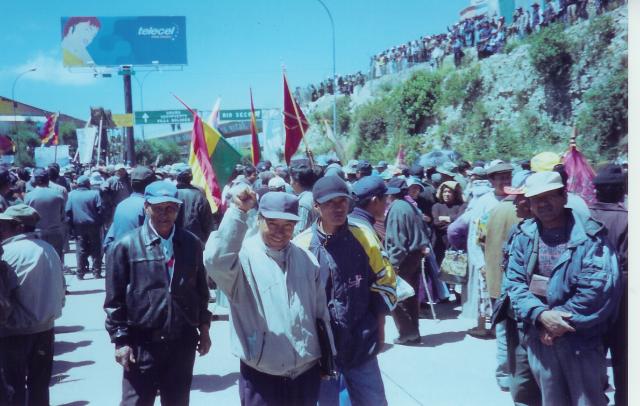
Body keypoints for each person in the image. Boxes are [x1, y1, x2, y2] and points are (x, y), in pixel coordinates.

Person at [204, 188, 333, 405]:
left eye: (287, 225)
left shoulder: (308, 260)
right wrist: (238, 212)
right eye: (272, 223)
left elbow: (320, 315)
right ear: (259, 220)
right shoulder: (241, 260)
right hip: (261, 374)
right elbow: (216, 260)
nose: (279, 232)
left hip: (306, 373)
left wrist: (326, 359)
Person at [504, 171, 621, 406]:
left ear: (564, 197)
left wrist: (559, 324)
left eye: (550, 196)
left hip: (580, 339)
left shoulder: (591, 238)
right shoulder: (524, 236)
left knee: (587, 400)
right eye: (537, 199)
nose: (543, 204)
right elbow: (514, 283)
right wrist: (541, 316)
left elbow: (598, 289)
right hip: (539, 336)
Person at [104, 181, 212, 406]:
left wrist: (204, 327)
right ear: (146, 207)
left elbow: (201, 291)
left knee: (177, 401)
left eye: (171, 208)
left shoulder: (191, 243)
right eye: (158, 208)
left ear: (178, 209)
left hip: (181, 342)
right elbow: (114, 301)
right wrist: (121, 341)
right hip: (142, 344)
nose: (165, 214)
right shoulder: (125, 245)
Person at [294, 175, 396, 406]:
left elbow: (384, 282)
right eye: (329, 203)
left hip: (361, 343)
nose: (337, 207)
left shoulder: (364, 234)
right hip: (321, 352)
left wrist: (379, 331)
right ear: (316, 206)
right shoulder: (301, 246)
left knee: (374, 402)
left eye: (342, 201)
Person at [0, 204, 65, 406]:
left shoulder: (8, 253)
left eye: (3, 226)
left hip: (15, 333)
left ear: (18, 227)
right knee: (39, 387)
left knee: (14, 388)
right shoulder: (49, 249)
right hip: (46, 329)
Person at [590, 164, 627, 406]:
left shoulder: (583, 217)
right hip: (624, 294)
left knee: (592, 357)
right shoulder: (628, 219)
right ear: (622, 190)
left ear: (596, 190)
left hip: (590, 293)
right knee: (624, 357)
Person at [384, 177, 431, 345]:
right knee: (410, 296)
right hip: (414, 256)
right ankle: (414, 333)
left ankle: (407, 333)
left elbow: (397, 242)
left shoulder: (397, 209)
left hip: (403, 258)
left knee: (396, 296)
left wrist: (394, 264)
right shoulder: (409, 206)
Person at [103, 166, 155, 252]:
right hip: (138, 258)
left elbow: (108, 241)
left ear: (131, 184)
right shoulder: (149, 207)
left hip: (121, 256)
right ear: (151, 185)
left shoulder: (121, 205)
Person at [66, 175, 104, 279]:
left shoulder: (71, 195)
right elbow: (100, 209)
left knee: (80, 249)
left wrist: (70, 228)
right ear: (88, 184)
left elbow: (68, 212)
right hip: (94, 225)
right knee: (96, 249)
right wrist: (101, 222)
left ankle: (80, 273)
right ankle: (96, 272)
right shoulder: (95, 194)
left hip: (78, 226)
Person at [24, 168, 66, 259]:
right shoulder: (58, 194)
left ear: (35, 180)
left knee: (39, 260)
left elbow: (26, 217)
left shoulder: (28, 196)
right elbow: (62, 216)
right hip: (55, 233)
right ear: (48, 179)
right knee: (56, 260)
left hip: (37, 234)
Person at [175, 168, 214, 244]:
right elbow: (208, 225)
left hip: (175, 243)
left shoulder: (171, 194)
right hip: (197, 243)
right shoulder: (200, 196)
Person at [431, 181, 465, 265]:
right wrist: (453, 223)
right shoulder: (437, 206)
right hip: (440, 244)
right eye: (444, 192)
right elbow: (436, 222)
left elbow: (460, 221)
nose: (446, 194)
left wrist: (446, 218)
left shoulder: (462, 206)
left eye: (449, 192)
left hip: (456, 244)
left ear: (455, 194)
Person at [291, 163, 319, 236]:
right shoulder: (314, 195)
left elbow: (300, 231)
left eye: (291, 180)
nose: (290, 183)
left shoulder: (303, 203)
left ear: (296, 183)